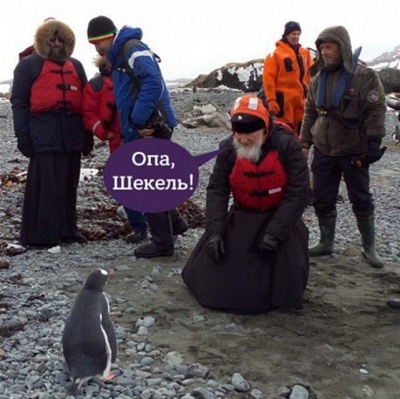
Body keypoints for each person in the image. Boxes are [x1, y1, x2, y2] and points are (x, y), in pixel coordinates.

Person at [182, 94, 310, 314]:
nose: (243, 139)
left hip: (279, 216)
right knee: (212, 276)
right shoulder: (228, 150)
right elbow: (217, 191)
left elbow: (299, 193)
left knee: (285, 275)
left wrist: (275, 232)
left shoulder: (287, 146)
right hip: (243, 214)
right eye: (238, 132)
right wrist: (215, 232)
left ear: (265, 129)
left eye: (250, 132)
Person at [87, 16, 188, 258]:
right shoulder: (122, 54)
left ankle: (163, 243)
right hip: (142, 126)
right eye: (93, 44)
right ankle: (175, 224)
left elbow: (153, 83)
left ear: (109, 36)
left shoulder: (131, 49)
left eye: (97, 42)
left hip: (150, 125)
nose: (96, 48)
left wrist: (141, 119)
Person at [300, 26, 387, 268]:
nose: (324, 52)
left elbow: (375, 110)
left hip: (353, 149)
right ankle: (326, 242)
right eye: (322, 48)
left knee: (360, 197)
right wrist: (305, 142)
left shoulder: (365, 77)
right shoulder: (317, 79)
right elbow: (309, 112)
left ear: (343, 47)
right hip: (324, 149)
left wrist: (374, 141)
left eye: (329, 46)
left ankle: (369, 247)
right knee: (322, 197)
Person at [11, 19, 93, 248]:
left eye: (61, 39)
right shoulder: (28, 66)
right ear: (43, 40)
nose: (56, 43)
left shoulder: (76, 66)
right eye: (52, 39)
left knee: (69, 184)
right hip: (43, 133)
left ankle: (69, 230)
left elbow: (86, 102)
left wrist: (87, 136)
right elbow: (18, 102)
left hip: (72, 133)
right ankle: (41, 236)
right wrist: (22, 135)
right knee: (45, 187)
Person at [82, 55, 148, 244]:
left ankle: (167, 225)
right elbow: (89, 114)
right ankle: (140, 227)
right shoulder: (95, 85)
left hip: (140, 135)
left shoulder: (132, 76)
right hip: (118, 141)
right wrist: (104, 132)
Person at [263, 21, 314, 136]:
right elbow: (268, 79)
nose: (296, 37)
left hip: (302, 98)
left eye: (298, 34)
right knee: (283, 129)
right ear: (286, 35)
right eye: (293, 34)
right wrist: (271, 100)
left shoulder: (305, 53)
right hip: (284, 100)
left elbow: (312, 75)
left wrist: (313, 95)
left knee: (301, 129)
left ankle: (299, 152)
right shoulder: (276, 54)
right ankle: (282, 152)